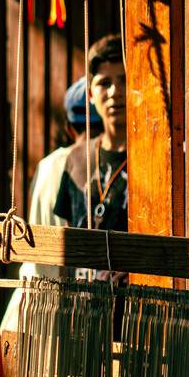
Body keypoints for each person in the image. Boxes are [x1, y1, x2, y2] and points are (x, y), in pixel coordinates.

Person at [0, 78, 104, 331]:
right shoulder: (93, 167)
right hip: (66, 314)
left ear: (69, 128)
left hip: (27, 305)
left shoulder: (48, 164)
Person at [53, 35, 127, 232]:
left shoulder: (157, 164)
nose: (115, 92)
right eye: (105, 83)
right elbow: (68, 238)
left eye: (124, 80)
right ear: (91, 94)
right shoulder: (76, 159)